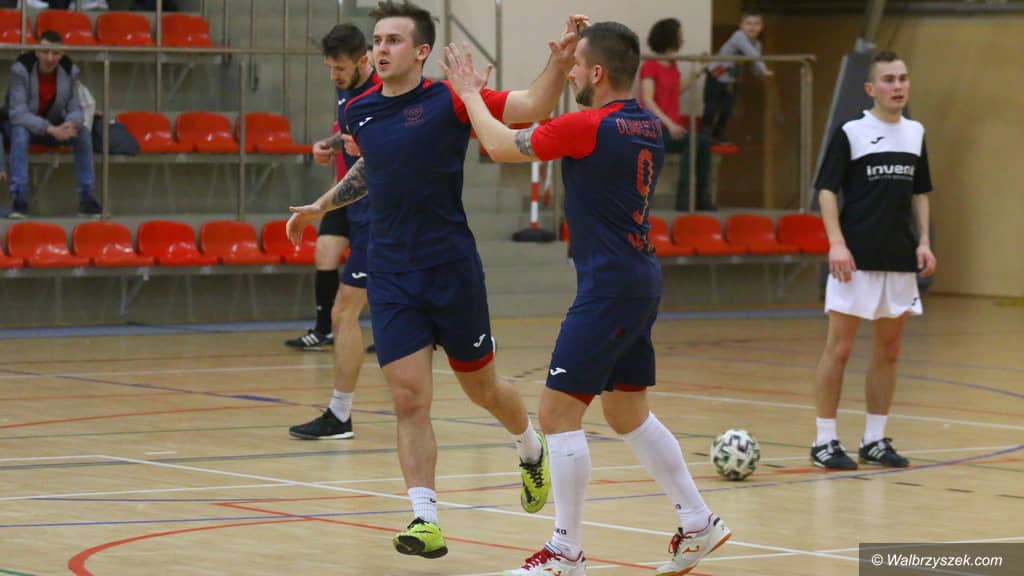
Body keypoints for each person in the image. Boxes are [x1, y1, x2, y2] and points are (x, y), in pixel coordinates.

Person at [285, 0, 584, 559]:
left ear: (421, 51)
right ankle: (425, 518)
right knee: (408, 398)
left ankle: (529, 446)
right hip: (391, 273)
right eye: (377, 40)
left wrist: (560, 62)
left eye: (393, 40)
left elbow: (533, 105)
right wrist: (322, 205)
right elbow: (373, 166)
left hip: (450, 269)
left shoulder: (450, 98)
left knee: (482, 390)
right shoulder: (359, 109)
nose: (380, 49)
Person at [441, 22, 730, 576]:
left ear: (597, 72)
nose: (572, 73)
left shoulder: (588, 126)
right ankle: (698, 522)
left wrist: (470, 92)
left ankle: (565, 552)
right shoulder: (645, 124)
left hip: (609, 287)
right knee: (626, 411)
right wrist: (558, 61)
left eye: (577, 66)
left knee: (556, 414)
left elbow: (499, 145)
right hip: (639, 276)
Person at [810, 51, 936, 470]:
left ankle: (875, 439)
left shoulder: (915, 133)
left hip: (899, 257)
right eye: (888, 79)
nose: (897, 86)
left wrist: (924, 241)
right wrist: (836, 243)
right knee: (840, 348)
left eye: (902, 78)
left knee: (890, 351)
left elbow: (920, 192)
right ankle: (824, 440)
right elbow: (827, 190)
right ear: (870, 88)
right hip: (855, 259)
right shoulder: (852, 132)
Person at [287, 24, 380, 440]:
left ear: (363, 60)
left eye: (340, 68)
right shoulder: (347, 93)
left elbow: (385, 146)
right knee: (348, 302)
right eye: (329, 68)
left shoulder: (381, 93)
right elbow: (350, 138)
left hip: (378, 213)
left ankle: (340, 414)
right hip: (351, 204)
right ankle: (339, 412)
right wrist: (330, 145)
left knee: (347, 312)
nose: (333, 75)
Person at [2, 30, 101, 219]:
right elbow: (18, 114)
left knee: (82, 133)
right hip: (24, 126)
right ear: (36, 52)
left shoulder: (69, 71)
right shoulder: (20, 70)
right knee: (19, 132)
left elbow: (75, 108)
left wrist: (70, 124)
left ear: (62, 54)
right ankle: (19, 199)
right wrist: (50, 128)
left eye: (55, 53)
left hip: (54, 127)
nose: (50, 58)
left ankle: (87, 199)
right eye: (45, 52)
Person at [639, 17, 714, 211]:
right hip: (653, 130)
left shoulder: (673, 65)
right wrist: (670, 124)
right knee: (694, 142)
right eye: (680, 35)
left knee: (702, 142)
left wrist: (700, 70)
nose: (682, 40)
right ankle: (685, 199)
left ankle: (698, 197)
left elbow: (676, 89)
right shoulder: (650, 66)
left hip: (670, 130)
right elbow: (648, 100)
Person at [702, 10, 773, 143]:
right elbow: (752, 55)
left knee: (728, 108)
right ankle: (705, 133)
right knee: (711, 106)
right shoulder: (738, 36)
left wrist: (760, 74)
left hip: (731, 79)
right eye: (748, 23)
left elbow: (753, 63)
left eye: (756, 24)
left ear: (761, 27)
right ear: (741, 25)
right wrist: (763, 69)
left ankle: (719, 132)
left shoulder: (757, 44)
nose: (752, 27)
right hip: (716, 75)